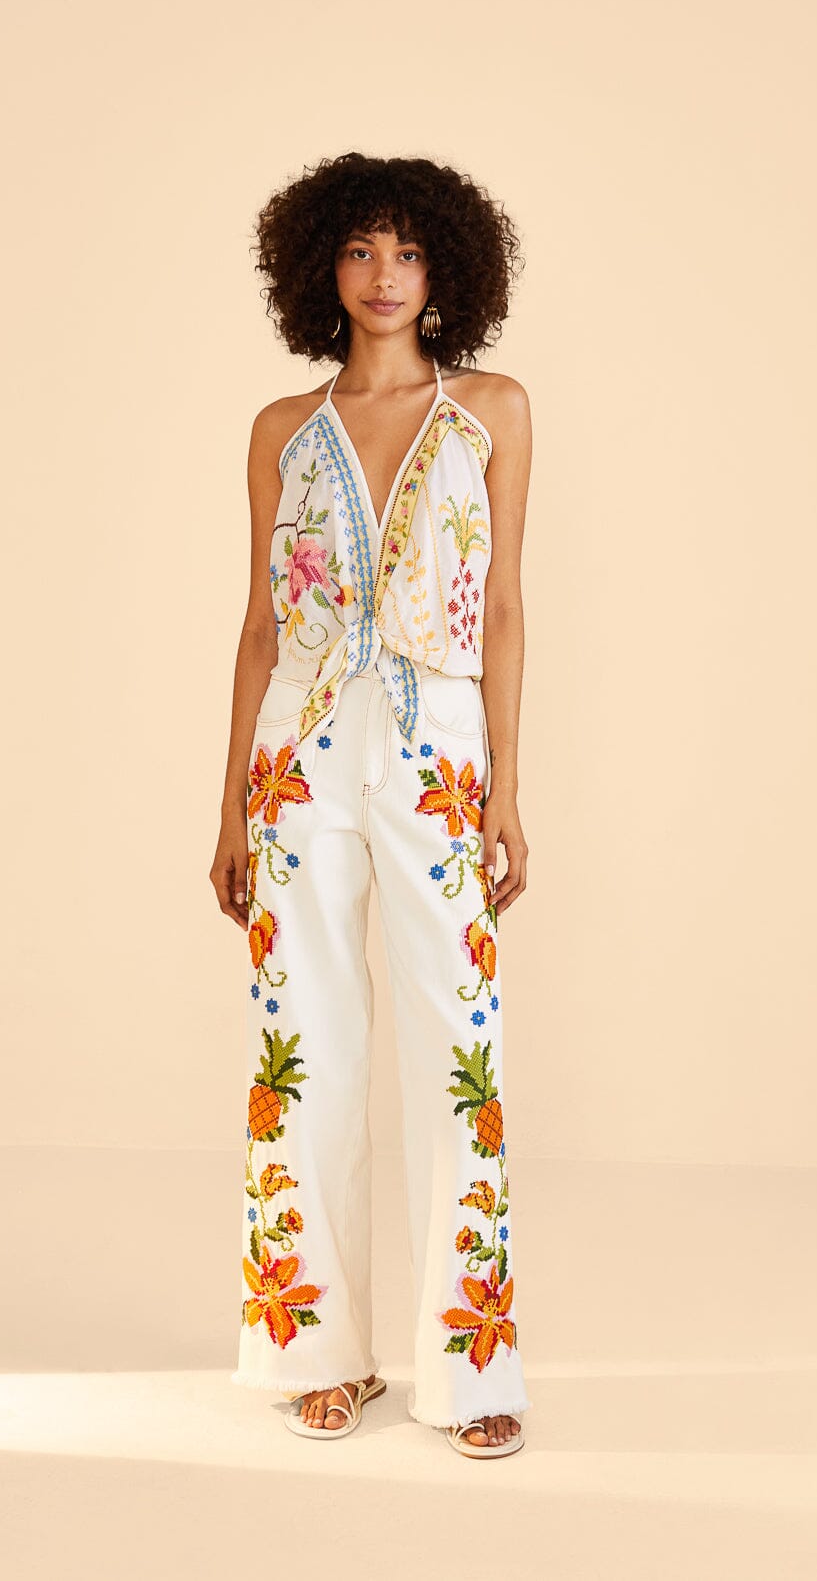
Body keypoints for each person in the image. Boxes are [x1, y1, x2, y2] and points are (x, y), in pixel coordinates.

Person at [209, 151, 533, 1458]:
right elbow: (257, 624)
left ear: (443, 266)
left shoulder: (493, 412)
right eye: (359, 250)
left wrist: (508, 787)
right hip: (298, 763)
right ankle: (319, 1353)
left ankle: (472, 1365)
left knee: (462, 1056)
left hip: (439, 758)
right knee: (305, 1056)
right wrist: (229, 808)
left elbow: (502, 609)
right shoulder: (281, 431)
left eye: (406, 250)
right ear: (321, 270)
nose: (384, 274)